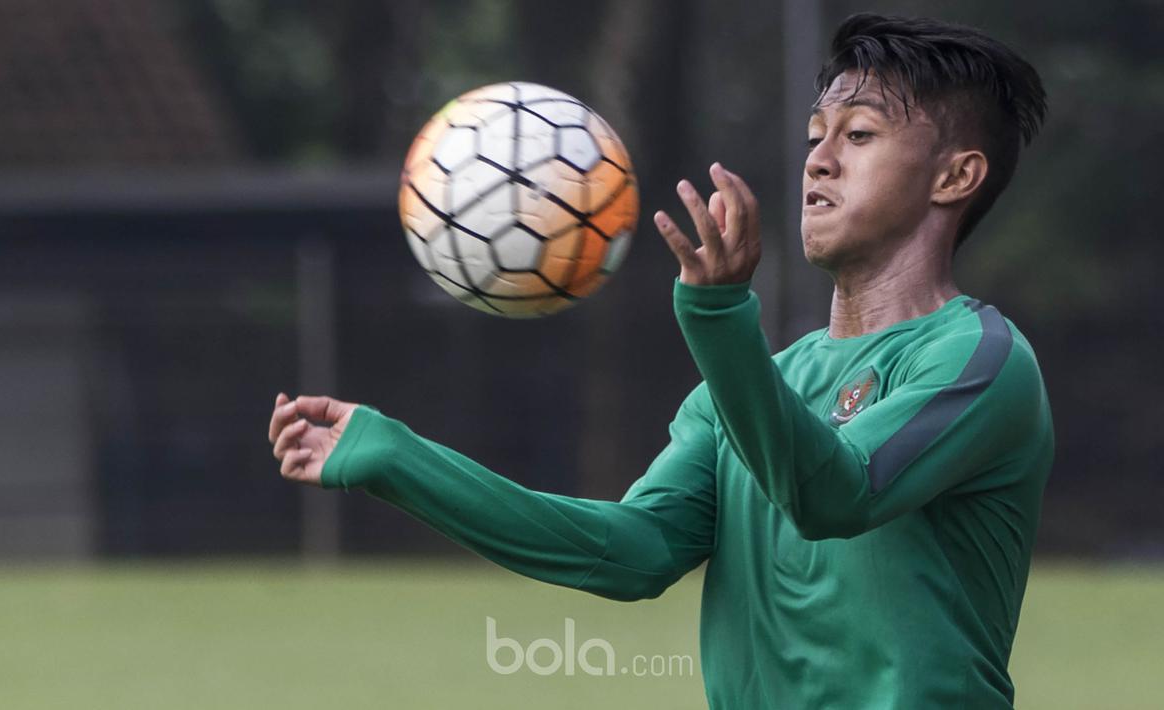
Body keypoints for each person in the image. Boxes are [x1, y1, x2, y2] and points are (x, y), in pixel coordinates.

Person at [267, 13, 1052, 708]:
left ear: (955, 176)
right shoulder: (747, 387)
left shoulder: (978, 363)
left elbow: (834, 497)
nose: (818, 160)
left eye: (858, 135)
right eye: (815, 136)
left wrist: (718, 318)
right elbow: (629, 552)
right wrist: (395, 456)